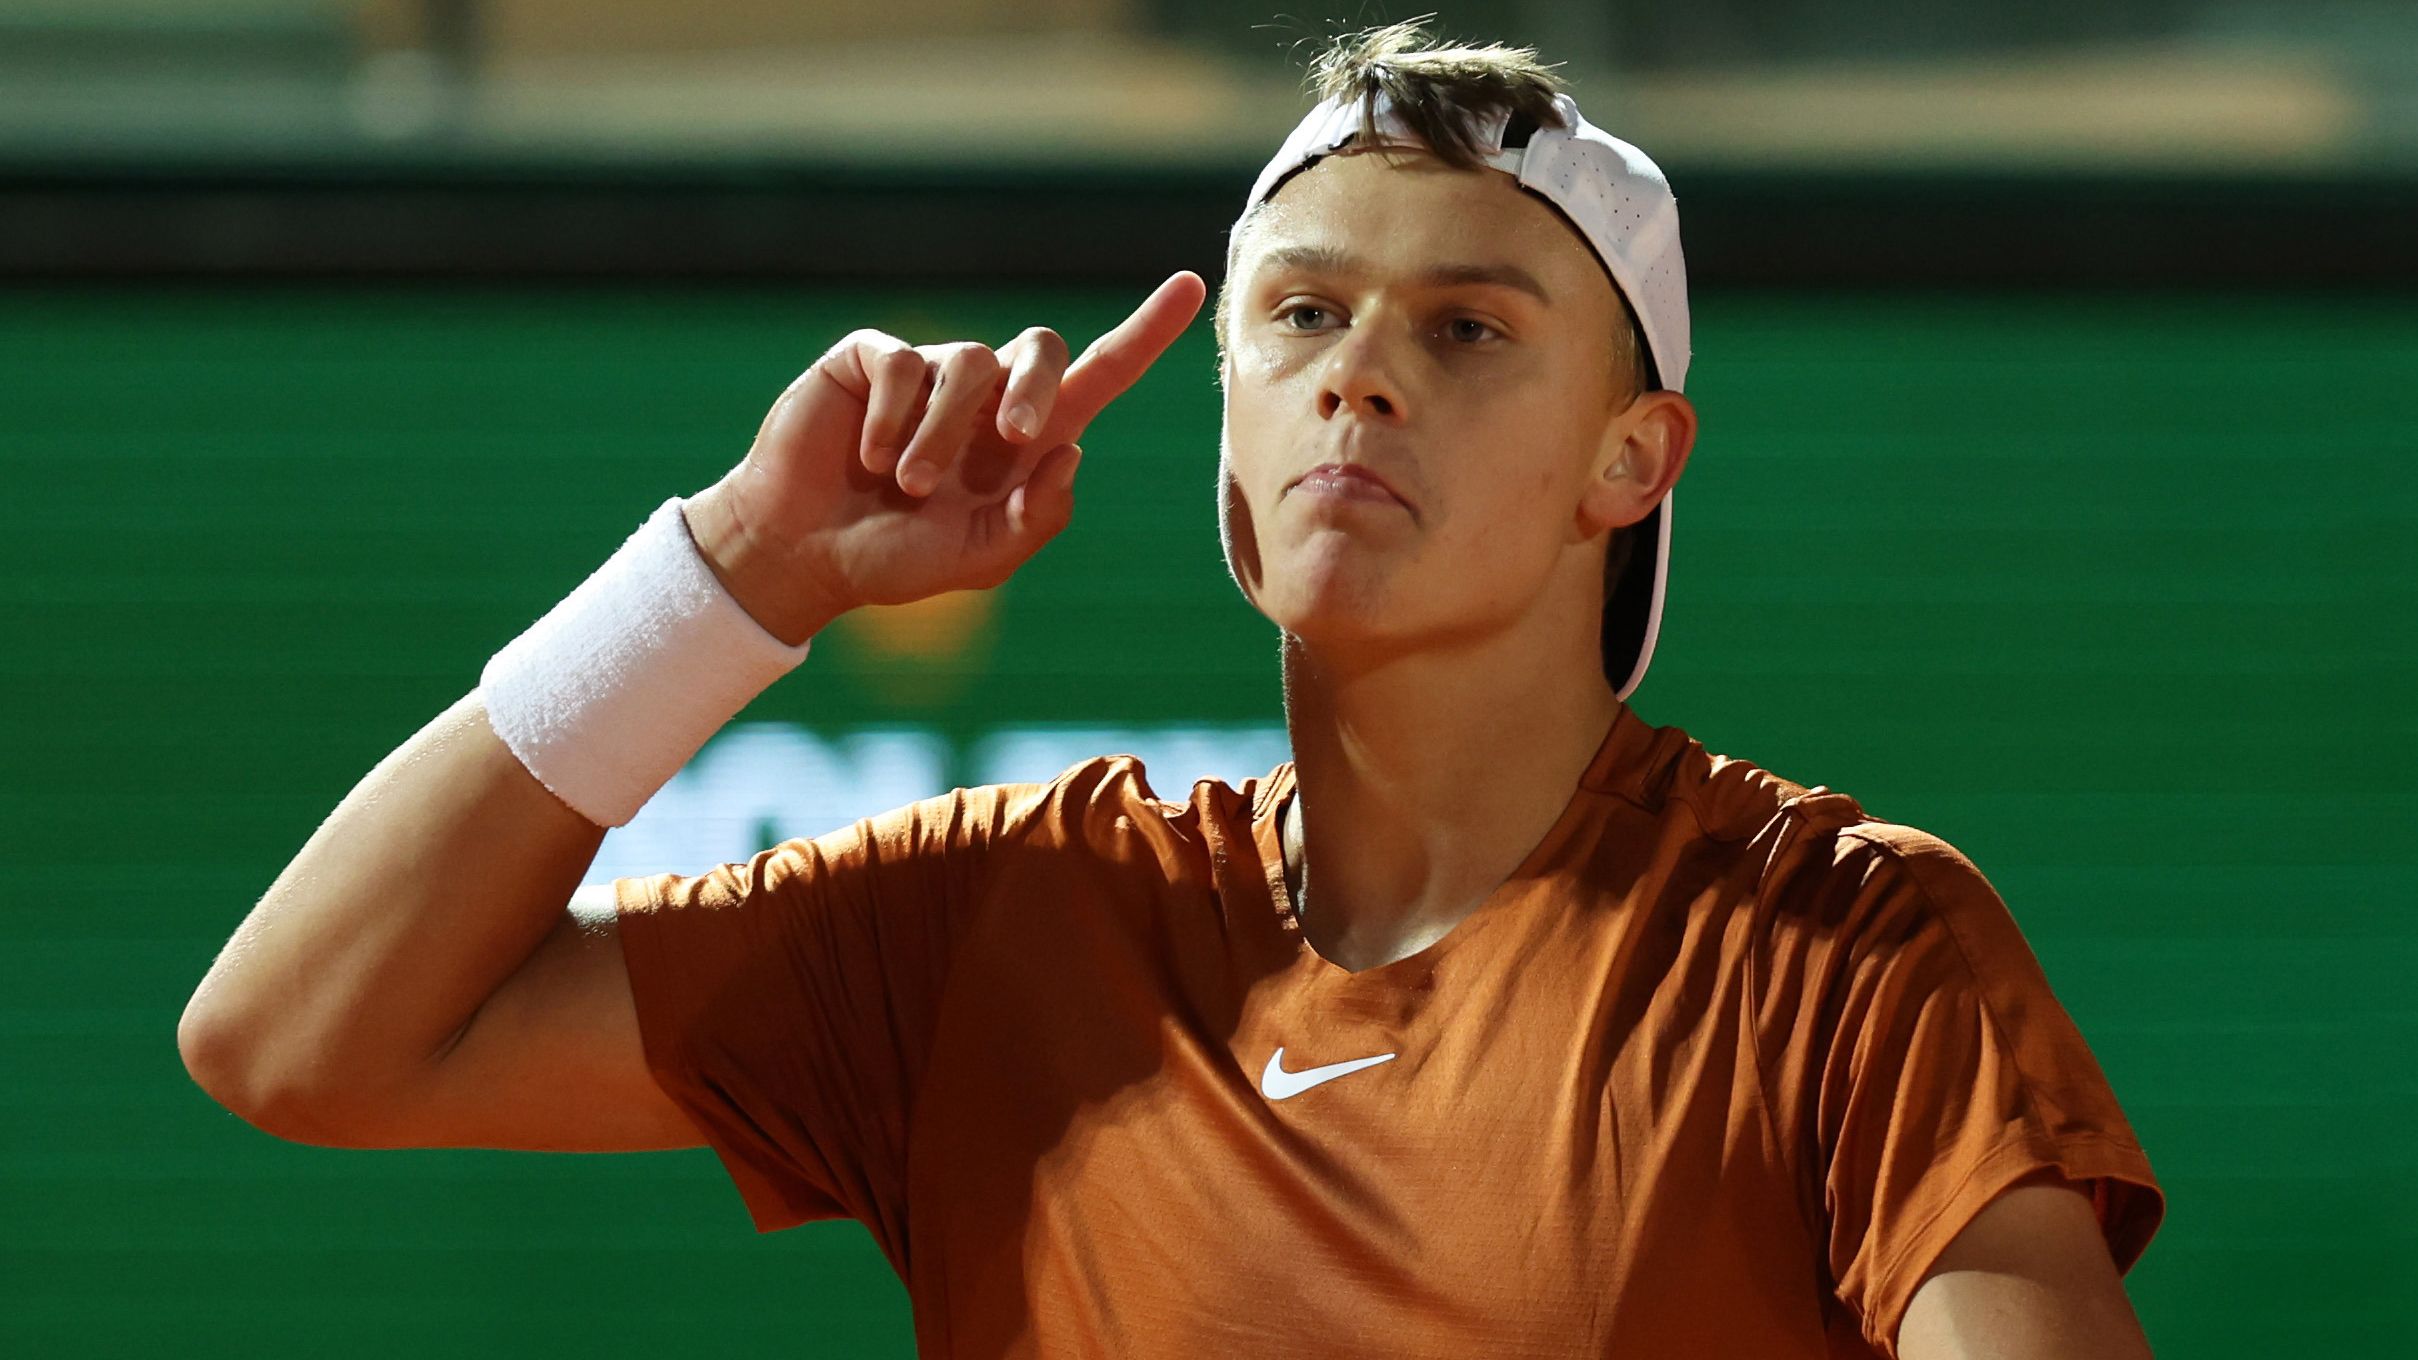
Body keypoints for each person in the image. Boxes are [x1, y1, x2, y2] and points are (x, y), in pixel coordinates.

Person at [178, 18, 2165, 1359]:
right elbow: (298, 1034)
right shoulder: (998, 921)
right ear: (1227, 441)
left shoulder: (1852, 944)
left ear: (1629, 459)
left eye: (1468, 326)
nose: (1356, 374)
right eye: (1303, 312)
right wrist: (734, 579)